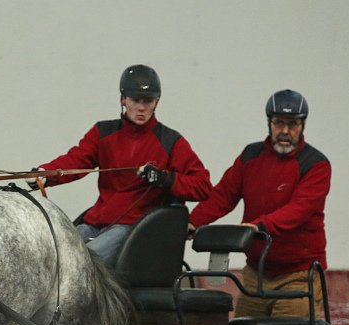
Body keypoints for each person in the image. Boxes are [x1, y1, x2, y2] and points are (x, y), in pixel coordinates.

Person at [28, 64, 211, 266]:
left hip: (135, 227)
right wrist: (45, 174)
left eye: (148, 101)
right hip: (96, 221)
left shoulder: (171, 141)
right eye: (135, 100)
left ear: (156, 102)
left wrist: (164, 178)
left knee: (83, 262)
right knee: (54, 257)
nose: (142, 108)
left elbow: (202, 186)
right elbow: (76, 160)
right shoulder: (103, 132)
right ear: (123, 100)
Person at [187, 89, 331, 319]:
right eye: (279, 123)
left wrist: (258, 227)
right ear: (269, 123)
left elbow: (298, 211)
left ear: (303, 126)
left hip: (299, 275)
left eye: (292, 124)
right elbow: (223, 195)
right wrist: (192, 222)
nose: (285, 131)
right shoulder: (250, 156)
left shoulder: (316, 165)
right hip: (256, 273)